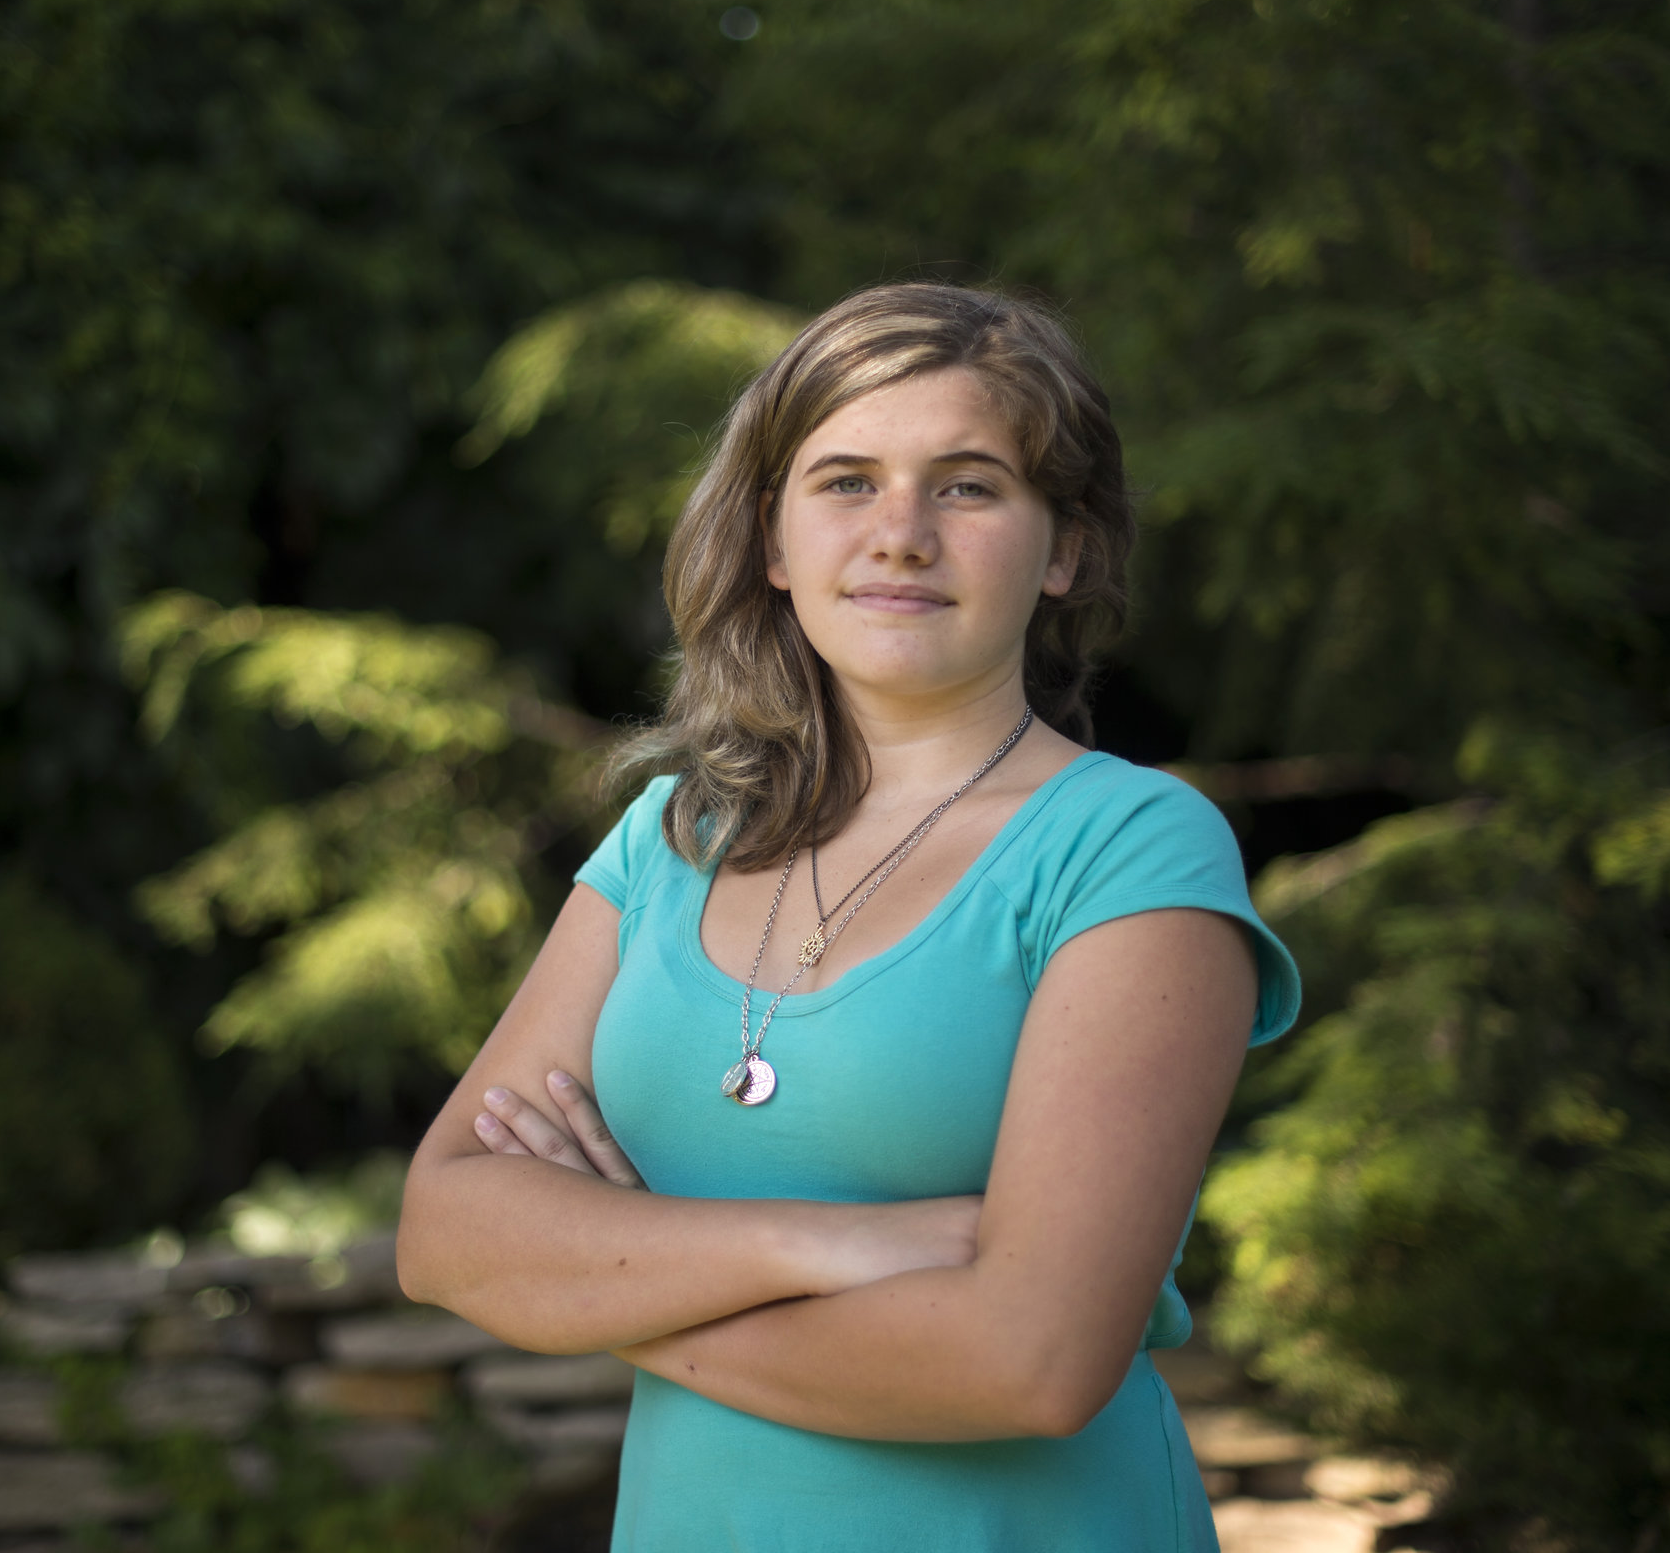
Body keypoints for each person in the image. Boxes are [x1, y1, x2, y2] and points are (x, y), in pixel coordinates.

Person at [396, 282, 1300, 1551]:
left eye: (969, 484)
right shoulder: (669, 840)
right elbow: (445, 1231)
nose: (900, 533)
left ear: (1067, 549)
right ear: (771, 539)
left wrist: (603, 1281)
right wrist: (836, 1243)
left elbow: (1031, 1361)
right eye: (844, 480)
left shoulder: (1127, 848)